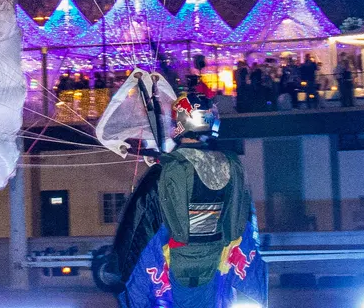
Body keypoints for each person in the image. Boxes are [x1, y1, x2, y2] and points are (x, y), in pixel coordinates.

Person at [110, 90, 264, 307]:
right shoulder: (233, 166)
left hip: (173, 271)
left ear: (180, 123)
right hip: (217, 269)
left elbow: (137, 224)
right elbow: (245, 222)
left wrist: (116, 269)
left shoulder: (164, 171)